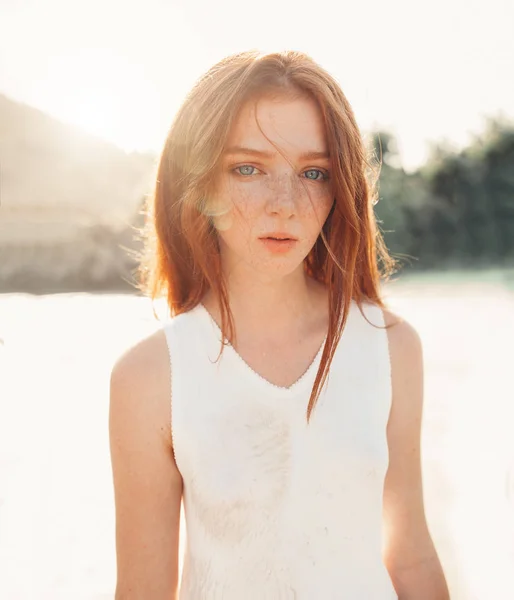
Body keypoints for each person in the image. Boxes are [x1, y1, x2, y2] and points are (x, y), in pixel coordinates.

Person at [109, 50, 449, 599]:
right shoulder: (150, 377)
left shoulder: (392, 349)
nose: (285, 204)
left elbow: (409, 554)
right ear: (199, 183)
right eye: (249, 168)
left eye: (313, 173)